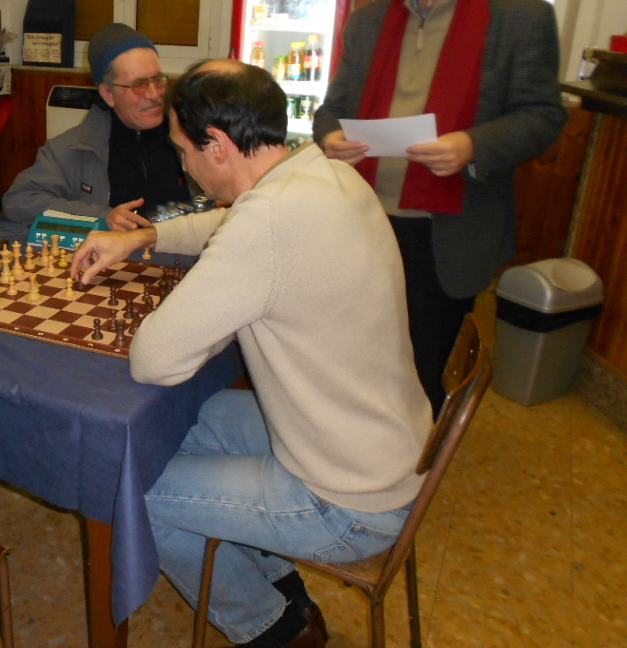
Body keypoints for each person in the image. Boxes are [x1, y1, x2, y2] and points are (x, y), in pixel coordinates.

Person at [72, 60, 431, 648]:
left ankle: (271, 630)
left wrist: (207, 310)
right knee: (184, 422)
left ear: (215, 145)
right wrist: (145, 236)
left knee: (133, 495)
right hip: (383, 444)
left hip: (349, 501)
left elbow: (155, 360)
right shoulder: (321, 170)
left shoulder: (267, 224)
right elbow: (232, 221)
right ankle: (283, 592)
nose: (182, 163)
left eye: (184, 149)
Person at [312, 0, 567, 416]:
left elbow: (544, 115)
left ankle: (403, 471)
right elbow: (330, 109)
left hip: (447, 230)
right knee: (351, 353)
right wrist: (330, 137)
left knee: (421, 365)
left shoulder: (521, 18)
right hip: (364, 220)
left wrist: (473, 145)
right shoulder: (368, 23)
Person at [2, 22, 193, 230]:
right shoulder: (73, 148)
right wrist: (101, 217)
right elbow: (20, 201)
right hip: (122, 258)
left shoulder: (194, 135)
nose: (155, 94)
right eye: (139, 85)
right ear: (108, 94)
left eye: (158, 80)